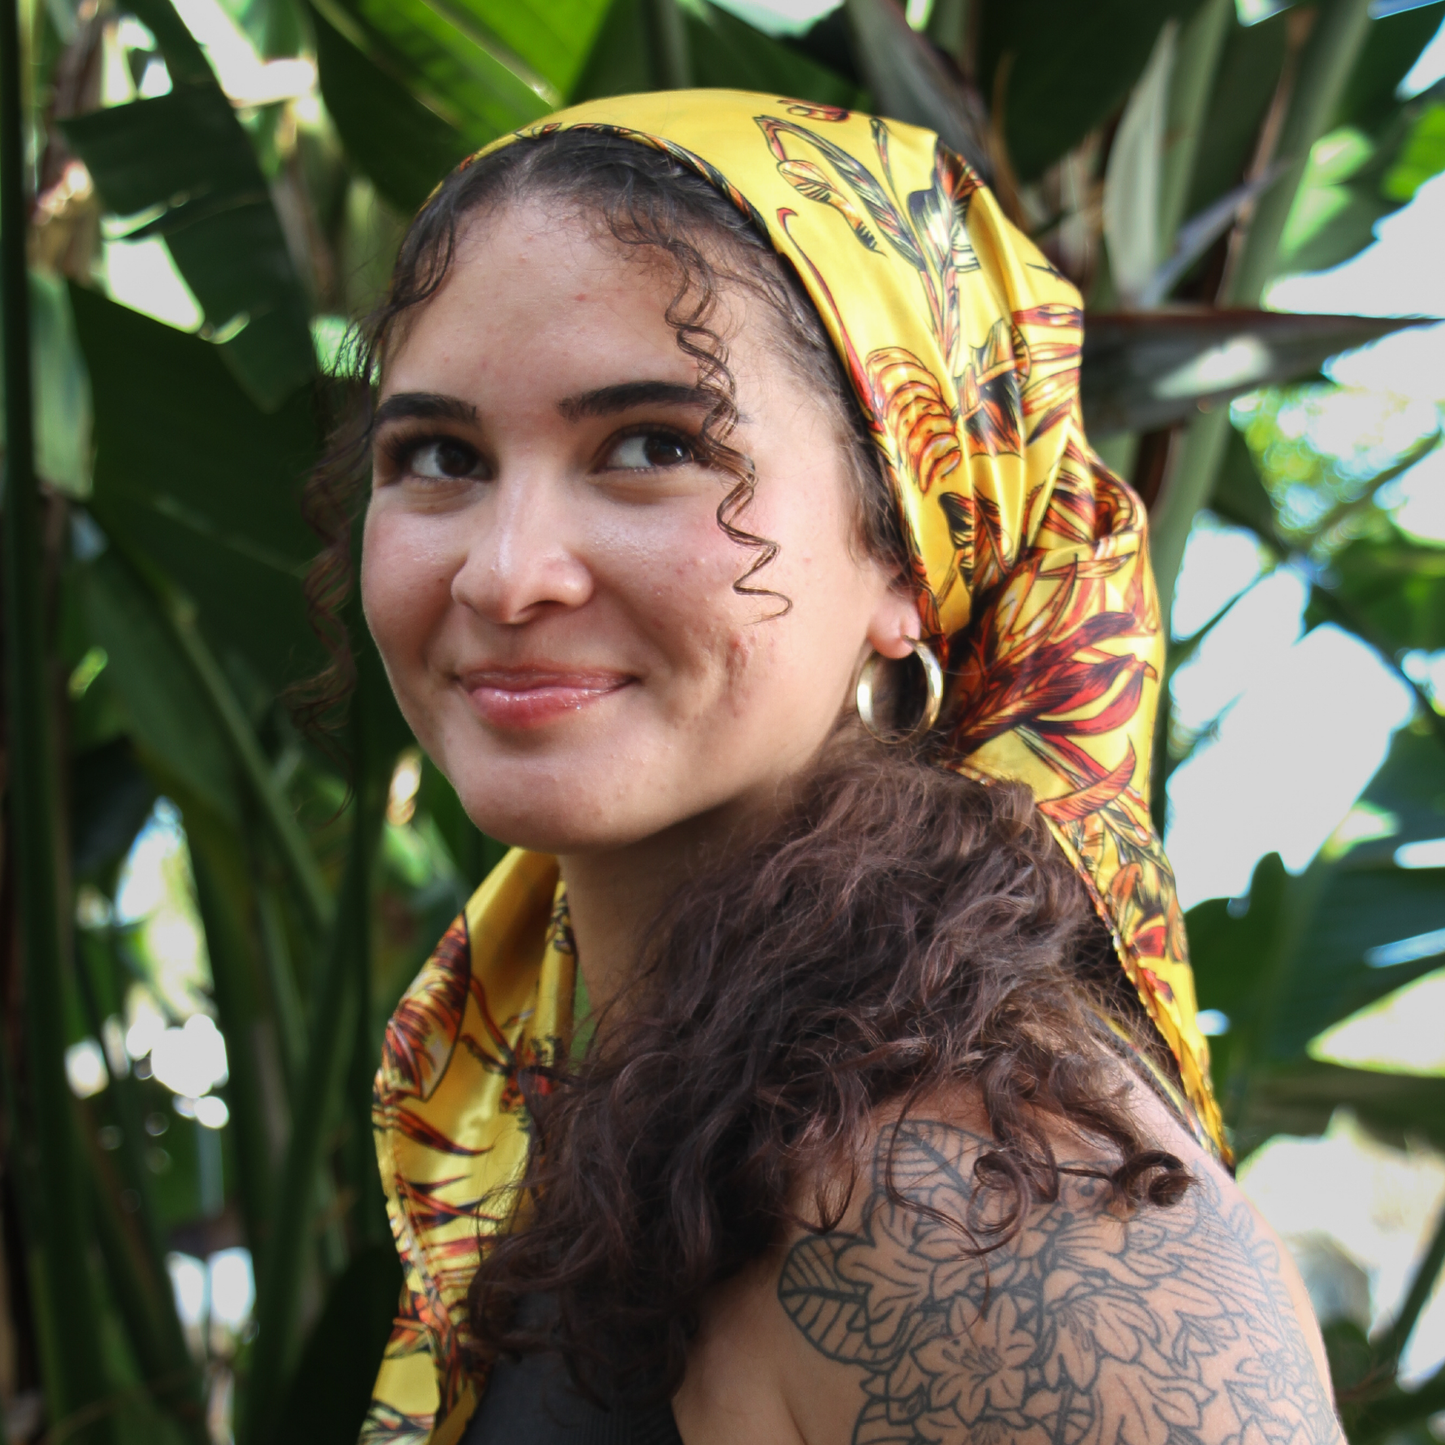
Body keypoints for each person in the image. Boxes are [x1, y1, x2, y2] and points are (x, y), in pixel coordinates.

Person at [326, 90, 1341, 1445]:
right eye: (439, 456)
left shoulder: (981, 1207)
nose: (508, 573)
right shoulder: (615, 1077)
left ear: (906, 551)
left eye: (653, 448)